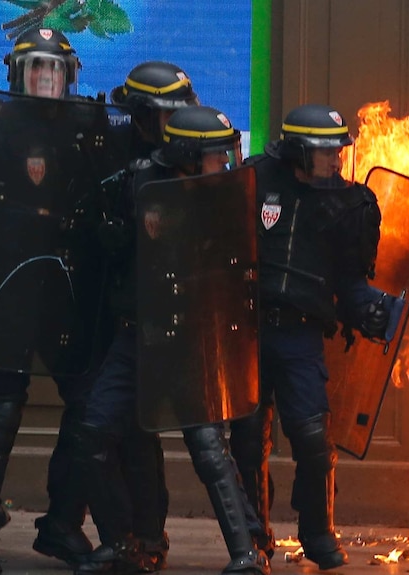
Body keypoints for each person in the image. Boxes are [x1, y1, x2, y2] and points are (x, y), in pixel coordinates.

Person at [72, 105, 270, 575]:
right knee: (92, 433)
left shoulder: (222, 193)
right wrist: (113, 236)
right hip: (136, 335)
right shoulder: (137, 182)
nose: (224, 165)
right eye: (215, 157)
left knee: (207, 446)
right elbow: (111, 253)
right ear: (187, 153)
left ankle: (247, 551)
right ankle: (122, 542)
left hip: (190, 334)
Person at [236, 103, 392, 570]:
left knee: (311, 436)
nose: (335, 160)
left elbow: (350, 279)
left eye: (339, 151)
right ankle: (252, 536)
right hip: (247, 329)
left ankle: (318, 532)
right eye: (326, 152)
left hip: (301, 335)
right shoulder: (252, 181)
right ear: (299, 150)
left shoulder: (350, 204)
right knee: (246, 438)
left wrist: (372, 309)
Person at [0, 28, 95, 575]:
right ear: (16, 74)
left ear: (68, 75)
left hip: (63, 288)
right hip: (3, 284)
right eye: (35, 68)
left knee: (90, 402)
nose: (45, 76)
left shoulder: (88, 129)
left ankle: (62, 524)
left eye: (54, 68)